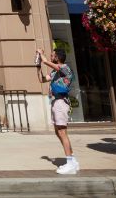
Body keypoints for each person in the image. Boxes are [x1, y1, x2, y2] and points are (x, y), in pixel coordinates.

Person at [38, 47, 78, 175]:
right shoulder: (55, 72)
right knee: (58, 132)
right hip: (55, 102)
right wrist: (37, 67)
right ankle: (73, 160)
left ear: (57, 57)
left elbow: (46, 62)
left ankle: (70, 163)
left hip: (61, 102)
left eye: (52, 55)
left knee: (62, 132)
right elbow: (42, 79)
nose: (50, 56)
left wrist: (41, 55)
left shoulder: (65, 68)